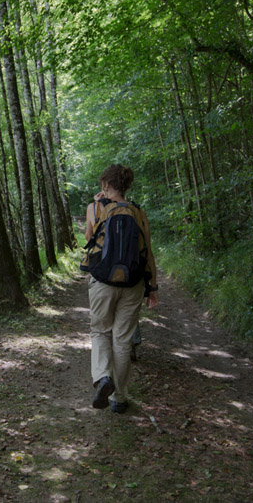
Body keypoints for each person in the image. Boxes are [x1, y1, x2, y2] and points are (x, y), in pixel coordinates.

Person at [84, 164, 158, 413]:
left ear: (106, 185)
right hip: (133, 283)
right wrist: (153, 287)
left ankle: (103, 377)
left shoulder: (95, 208)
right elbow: (147, 251)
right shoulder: (138, 212)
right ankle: (120, 398)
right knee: (123, 340)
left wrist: (97, 207)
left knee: (100, 332)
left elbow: (89, 239)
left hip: (103, 282)